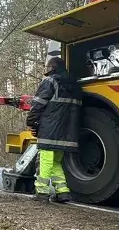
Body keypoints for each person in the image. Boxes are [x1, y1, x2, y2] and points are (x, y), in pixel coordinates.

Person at [26, 57, 82, 203]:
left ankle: (42, 192)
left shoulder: (50, 81)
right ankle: (62, 192)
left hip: (50, 129)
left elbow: (38, 103)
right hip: (68, 132)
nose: (47, 69)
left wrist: (31, 120)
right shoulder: (75, 85)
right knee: (56, 162)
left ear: (53, 67)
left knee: (44, 159)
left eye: (48, 66)